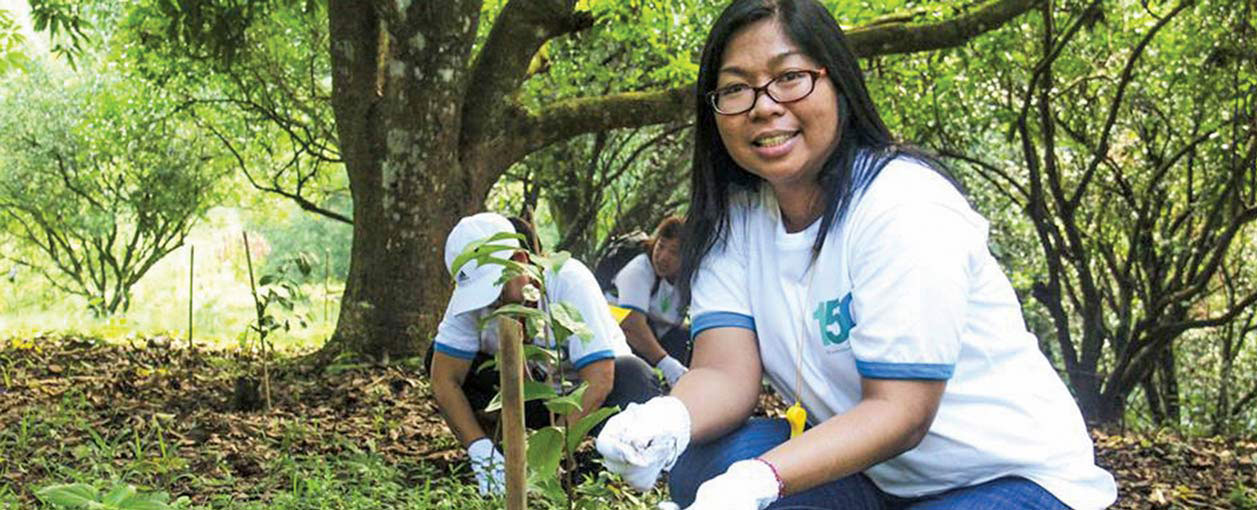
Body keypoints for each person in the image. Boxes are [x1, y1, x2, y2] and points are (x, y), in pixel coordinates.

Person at [594, 1, 1118, 509]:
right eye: (735, 88)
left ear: (837, 81)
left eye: (790, 77)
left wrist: (762, 479)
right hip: (877, 479)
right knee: (701, 461)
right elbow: (726, 375)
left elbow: (901, 413)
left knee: (745, 480)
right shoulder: (736, 222)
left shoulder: (903, 206)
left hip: (1005, 477)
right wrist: (666, 422)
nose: (764, 105)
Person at [429, 213, 661, 496]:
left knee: (635, 376)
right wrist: (479, 451)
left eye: (496, 289)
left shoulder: (568, 280)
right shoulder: (467, 300)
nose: (493, 302)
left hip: (586, 399)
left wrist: (544, 462)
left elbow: (600, 380)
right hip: (531, 396)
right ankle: (498, 459)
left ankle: (598, 464)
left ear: (521, 261)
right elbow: (444, 379)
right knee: (437, 358)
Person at [611, 215, 692, 385]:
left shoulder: (685, 281)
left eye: (673, 252)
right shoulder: (638, 270)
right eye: (661, 246)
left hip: (658, 338)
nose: (663, 257)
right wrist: (666, 363)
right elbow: (631, 325)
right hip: (619, 341)